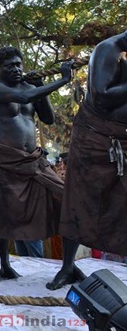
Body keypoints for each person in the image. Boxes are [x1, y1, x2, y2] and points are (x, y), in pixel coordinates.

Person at [0, 47, 71, 284]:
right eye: (9, 65)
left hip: (32, 160)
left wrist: (41, 87)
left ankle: (69, 266)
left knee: (66, 198)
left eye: (18, 64)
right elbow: (22, 99)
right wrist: (63, 79)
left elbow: (48, 118)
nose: (16, 69)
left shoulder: (31, 89)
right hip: (4, 158)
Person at [48, 31, 127, 290]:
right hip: (93, 138)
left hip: (120, 139)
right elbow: (102, 95)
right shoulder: (108, 49)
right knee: (78, 201)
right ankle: (68, 266)